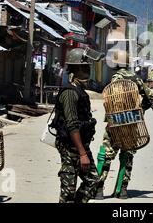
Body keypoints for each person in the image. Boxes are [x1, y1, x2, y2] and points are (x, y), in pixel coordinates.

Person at [95, 50, 153, 200]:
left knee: (106, 155)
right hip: (132, 123)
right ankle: (121, 191)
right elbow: (150, 98)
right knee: (127, 155)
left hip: (115, 122)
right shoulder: (136, 78)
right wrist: (140, 110)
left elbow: (110, 99)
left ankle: (98, 190)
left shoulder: (115, 78)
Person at [50, 48, 99, 203]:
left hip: (81, 145)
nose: (88, 70)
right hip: (71, 146)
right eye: (85, 67)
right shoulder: (70, 93)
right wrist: (82, 153)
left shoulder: (80, 90)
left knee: (93, 181)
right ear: (77, 69)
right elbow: (72, 124)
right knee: (68, 191)